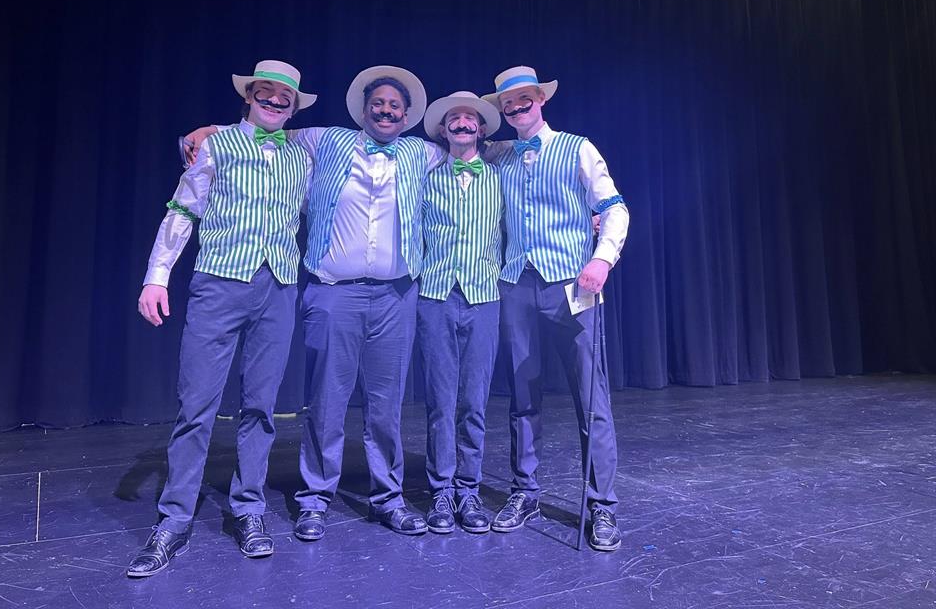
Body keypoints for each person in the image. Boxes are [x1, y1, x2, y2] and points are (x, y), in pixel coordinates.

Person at [181, 66, 447, 540]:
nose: (385, 110)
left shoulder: (423, 153)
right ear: (364, 109)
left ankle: (388, 497)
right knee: (326, 401)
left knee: (386, 405)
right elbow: (264, 129)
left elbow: (481, 150)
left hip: (396, 295)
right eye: (378, 103)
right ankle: (315, 499)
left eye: (394, 106)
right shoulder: (325, 139)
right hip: (333, 293)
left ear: (407, 116)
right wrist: (205, 131)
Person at [126, 60, 315, 577]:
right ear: (249, 97)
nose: (275, 102)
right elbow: (183, 209)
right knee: (197, 405)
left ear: (294, 106)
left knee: (261, 408)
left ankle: (248, 509)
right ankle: (174, 518)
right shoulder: (217, 144)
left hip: (277, 287)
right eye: (266, 94)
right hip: (219, 285)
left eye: (285, 97)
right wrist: (156, 276)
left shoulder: (303, 152)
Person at [482, 66, 629, 552]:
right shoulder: (498, 155)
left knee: (591, 397)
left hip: (573, 283)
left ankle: (602, 504)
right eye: (508, 102)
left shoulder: (577, 147)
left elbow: (614, 208)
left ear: (540, 100)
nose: (517, 107)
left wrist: (601, 259)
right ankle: (526, 492)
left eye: (525, 98)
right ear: (502, 109)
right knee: (522, 396)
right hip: (515, 285)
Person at [417, 92, 504, 534]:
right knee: (440, 401)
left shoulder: (500, 176)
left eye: (471, 118)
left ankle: (468, 490)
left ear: (482, 129)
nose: (464, 123)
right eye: (455, 118)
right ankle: (441, 491)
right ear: (442, 129)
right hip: (435, 296)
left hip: (484, 297)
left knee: (473, 401)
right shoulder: (427, 175)